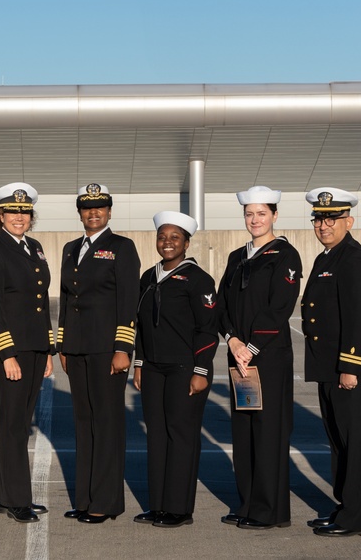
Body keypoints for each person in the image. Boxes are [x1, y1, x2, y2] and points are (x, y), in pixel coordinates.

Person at [218, 186, 301, 530]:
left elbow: (280, 307)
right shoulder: (237, 256)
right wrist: (233, 339)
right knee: (245, 431)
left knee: (268, 433)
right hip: (239, 357)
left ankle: (269, 510)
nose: (255, 220)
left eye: (262, 213)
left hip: (266, 357)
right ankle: (248, 502)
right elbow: (222, 303)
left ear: (275, 216)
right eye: (250, 214)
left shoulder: (285, 254)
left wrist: (249, 348)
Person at [58, 183, 140, 524]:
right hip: (76, 349)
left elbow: (128, 301)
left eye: (100, 207)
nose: (94, 213)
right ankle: (85, 497)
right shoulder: (70, 248)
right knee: (84, 423)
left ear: (109, 211)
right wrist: (62, 344)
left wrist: (123, 348)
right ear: (80, 212)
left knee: (106, 424)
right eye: (88, 208)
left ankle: (105, 502)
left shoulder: (121, 247)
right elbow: (65, 299)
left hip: (107, 350)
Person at [132, 211, 218, 528]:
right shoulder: (148, 277)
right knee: (155, 435)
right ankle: (158, 505)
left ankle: (179, 509)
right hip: (153, 368)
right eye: (162, 237)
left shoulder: (198, 279)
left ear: (186, 243)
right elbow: (140, 326)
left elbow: (209, 329)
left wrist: (201, 369)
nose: (167, 243)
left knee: (180, 435)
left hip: (185, 368)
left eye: (174, 238)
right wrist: (140, 363)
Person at [301, 187, 361, 537]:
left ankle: (358, 516)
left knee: (355, 442)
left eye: (331, 219)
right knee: (338, 441)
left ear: (349, 220)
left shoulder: (355, 259)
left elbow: (359, 318)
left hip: (348, 369)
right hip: (328, 366)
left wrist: (350, 365)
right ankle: (345, 506)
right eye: (319, 219)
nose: (323, 225)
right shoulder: (327, 257)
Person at [0, 183, 54, 524]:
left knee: (21, 424)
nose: (19, 217)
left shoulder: (33, 247)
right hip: (10, 349)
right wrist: (6, 354)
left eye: (24, 212)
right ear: (1, 216)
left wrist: (47, 349)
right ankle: (16, 499)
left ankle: (9, 495)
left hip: (34, 346)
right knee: (11, 424)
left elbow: (40, 306)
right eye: (12, 212)